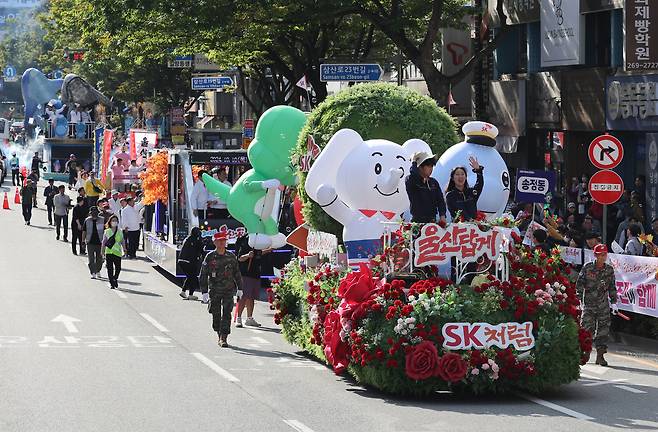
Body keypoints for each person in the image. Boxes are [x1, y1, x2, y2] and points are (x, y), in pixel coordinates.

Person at [576, 244, 618, 366]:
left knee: (603, 331)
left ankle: (600, 356)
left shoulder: (609, 270)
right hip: (588, 305)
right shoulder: (587, 267)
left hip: (603, 305)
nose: (603, 257)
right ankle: (585, 353)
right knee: (586, 330)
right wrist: (579, 301)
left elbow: (612, 287)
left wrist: (614, 302)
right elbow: (579, 285)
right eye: (600, 255)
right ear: (595, 255)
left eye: (605, 254)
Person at [199, 232, 243, 348]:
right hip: (214, 290)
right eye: (219, 241)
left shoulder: (231, 256)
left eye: (224, 240)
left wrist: (240, 288)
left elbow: (237, 273)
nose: (222, 243)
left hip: (228, 290)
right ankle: (218, 332)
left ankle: (223, 337)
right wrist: (204, 292)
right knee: (216, 314)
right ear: (214, 242)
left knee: (227, 313)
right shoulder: (210, 257)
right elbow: (203, 274)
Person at [235, 233, 270, 327]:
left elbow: (259, 253)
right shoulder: (246, 240)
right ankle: (238, 318)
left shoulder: (259, 241)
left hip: (255, 273)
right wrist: (247, 255)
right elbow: (240, 258)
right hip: (246, 274)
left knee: (251, 297)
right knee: (244, 296)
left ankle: (249, 318)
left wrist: (269, 249)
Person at [405, 152, 447, 224]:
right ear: (420, 167)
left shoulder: (434, 182)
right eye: (428, 166)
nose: (431, 169)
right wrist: (414, 162)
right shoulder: (410, 179)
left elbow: (440, 200)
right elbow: (414, 175)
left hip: (432, 222)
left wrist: (442, 216)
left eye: (432, 166)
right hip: (417, 222)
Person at [445, 156, 484, 221]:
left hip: (474, 227)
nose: (460, 176)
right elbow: (457, 213)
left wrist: (478, 171)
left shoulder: (471, 192)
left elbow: (479, 185)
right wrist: (470, 220)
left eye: (462, 174)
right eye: (457, 174)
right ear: (452, 178)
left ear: (466, 177)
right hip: (459, 227)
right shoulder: (450, 195)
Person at [177, 227, 205, 300]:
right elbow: (201, 250)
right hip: (189, 261)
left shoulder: (188, 238)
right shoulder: (196, 240)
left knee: (190, 276)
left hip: (181, 260)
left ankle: (183, 291)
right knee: (193, 277)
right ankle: (191, 294)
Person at [102, 214, 125, 289]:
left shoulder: (120, 231)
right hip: (109, 252)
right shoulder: (107, 231)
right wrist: (102, 252)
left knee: (118, 268)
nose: (114, 222)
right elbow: (104, 242)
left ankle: (115, 278)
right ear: (110, 222)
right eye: (113, 221)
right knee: (110, 268)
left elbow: (122, 241)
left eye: (115, 221)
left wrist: (124, 249)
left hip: (117, 252)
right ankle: (111, 282)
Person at [83, 206, 106, 279]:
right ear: (90, 213)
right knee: (91, 259)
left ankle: (98, 270)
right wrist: (83, 241)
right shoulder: (87, 220)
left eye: (95, 212)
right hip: (90, 242)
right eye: (92, 212)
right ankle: (93, 272)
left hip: (100, 242)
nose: (94, 214)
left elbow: (106, 231)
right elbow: (84, 231)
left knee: (100, 259)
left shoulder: (102, 220)